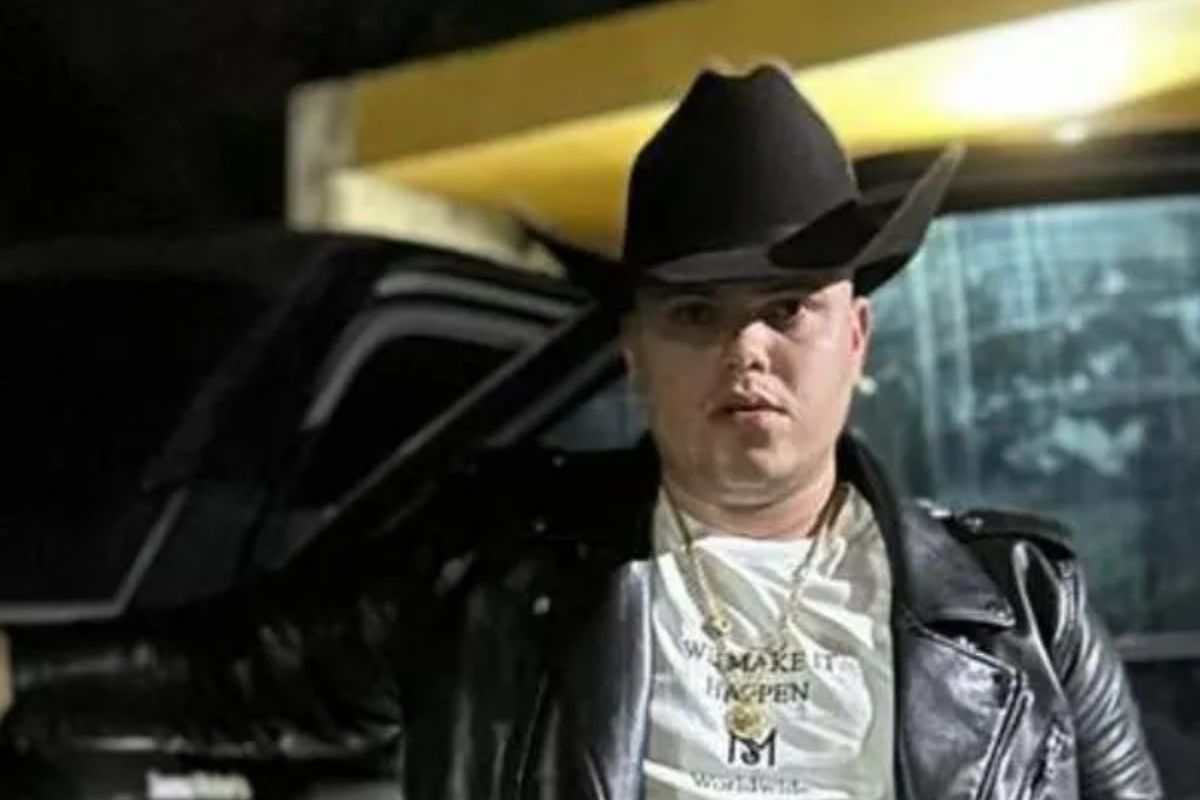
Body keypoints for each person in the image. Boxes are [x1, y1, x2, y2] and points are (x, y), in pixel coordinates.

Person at [0, 65, 1162, 799]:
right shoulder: (495, 564)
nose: (746, 350)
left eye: (787, 309)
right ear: (634, 350)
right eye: (695, 313)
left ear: (855, 337)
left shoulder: (1020, 602)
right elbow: (247, 673)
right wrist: (21, 673)